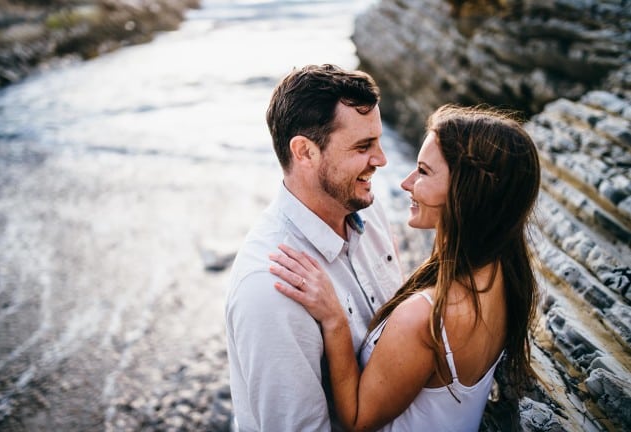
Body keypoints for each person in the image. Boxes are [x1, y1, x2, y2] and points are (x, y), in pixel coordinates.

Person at [270, 104, 541, 432]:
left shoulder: (425, 318)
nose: (406, 182)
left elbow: (357, 420)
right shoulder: (505, 273)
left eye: (424, 172)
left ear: (466, 193)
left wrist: (334, 320)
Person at [225, 64, 403, 431]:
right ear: (304, 152)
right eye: (363, 146)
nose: (381, 159)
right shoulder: (271, 288)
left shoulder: (369, 211)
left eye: (379, 141)